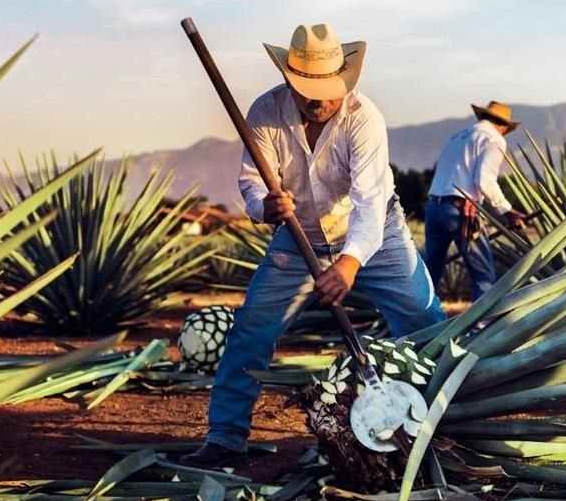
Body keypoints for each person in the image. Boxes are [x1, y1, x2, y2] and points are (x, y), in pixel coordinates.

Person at [181, 24, 446, 468]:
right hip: (296, 236)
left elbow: (368, 203)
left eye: (327, 90)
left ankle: (449, 421)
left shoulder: (364, 119)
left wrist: (348, 264)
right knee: (253, 328)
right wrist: (265, 206)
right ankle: (225, 437)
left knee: (425, 321)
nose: (319, 100)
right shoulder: (265, 113)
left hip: (374, 236)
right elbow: (249, 184)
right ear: (290, 81)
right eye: (307, 89)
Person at [424, 101, 528, 300]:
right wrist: (507, 211)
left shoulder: (456, 137)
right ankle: (481, 329)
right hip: (461, 212)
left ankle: (422, 325)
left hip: (434, 208)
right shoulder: (494, 139)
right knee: (483, 276)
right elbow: (484, 180)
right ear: (504, 126)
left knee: (430, 273)